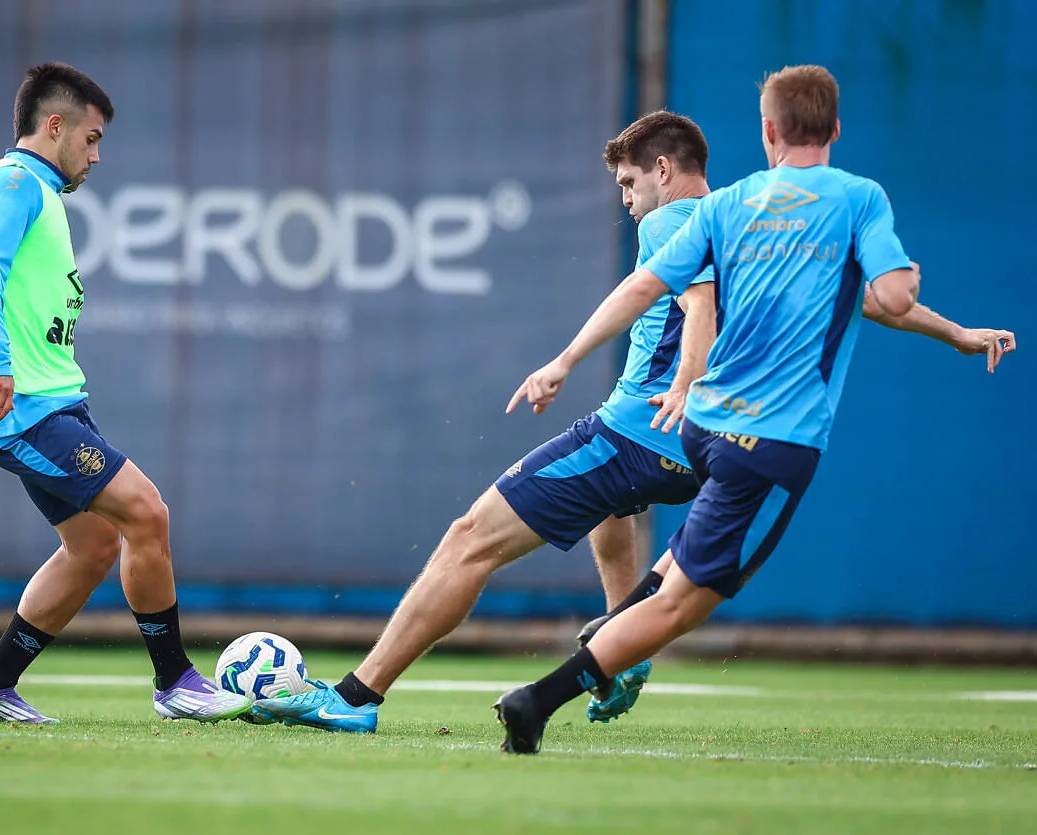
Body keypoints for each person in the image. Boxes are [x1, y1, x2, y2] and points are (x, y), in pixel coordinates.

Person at [494, 64, 1016, 754]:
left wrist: (564, 360)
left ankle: (625, 612)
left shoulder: (728, 204)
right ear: (833, 129)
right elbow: (887, 297)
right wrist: (920, 289)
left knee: (678, 572)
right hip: (773, 438)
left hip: (704, 427)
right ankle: (539, 698)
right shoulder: (859, 198)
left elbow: (644, 286)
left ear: (768, 130)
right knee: (683, 605)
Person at [247, 112, 728, 733]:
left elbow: (699, 305)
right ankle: (623, 647)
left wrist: (672, 379)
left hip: (642, 431)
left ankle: (355, 697)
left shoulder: (669, 218)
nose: (630, 203)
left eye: (631, 184)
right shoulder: (735, 220)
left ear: (664, 170)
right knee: (611, 505)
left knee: (469, 536)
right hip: (707, 446)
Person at [0, 62, 249, 724]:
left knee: (93, 546)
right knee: (147, 512)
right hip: (23, 408)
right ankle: (176, 680)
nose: (96, 154)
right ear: (53, 126)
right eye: (91, 137)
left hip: (49, 403)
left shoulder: (35, 192)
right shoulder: (14, 182)